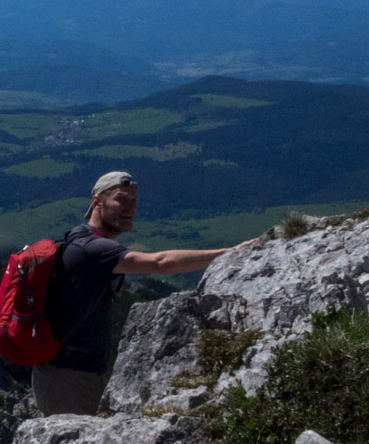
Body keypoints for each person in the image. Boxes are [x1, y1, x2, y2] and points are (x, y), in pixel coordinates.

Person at [33, 170, 246, 417]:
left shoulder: (79, 239)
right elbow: (160, 263)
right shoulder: (92, 248)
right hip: (70, 376)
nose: (130, 208)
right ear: (97, 202)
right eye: (121, 199)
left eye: (134, 201)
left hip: (65, 372)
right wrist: (228, 253)